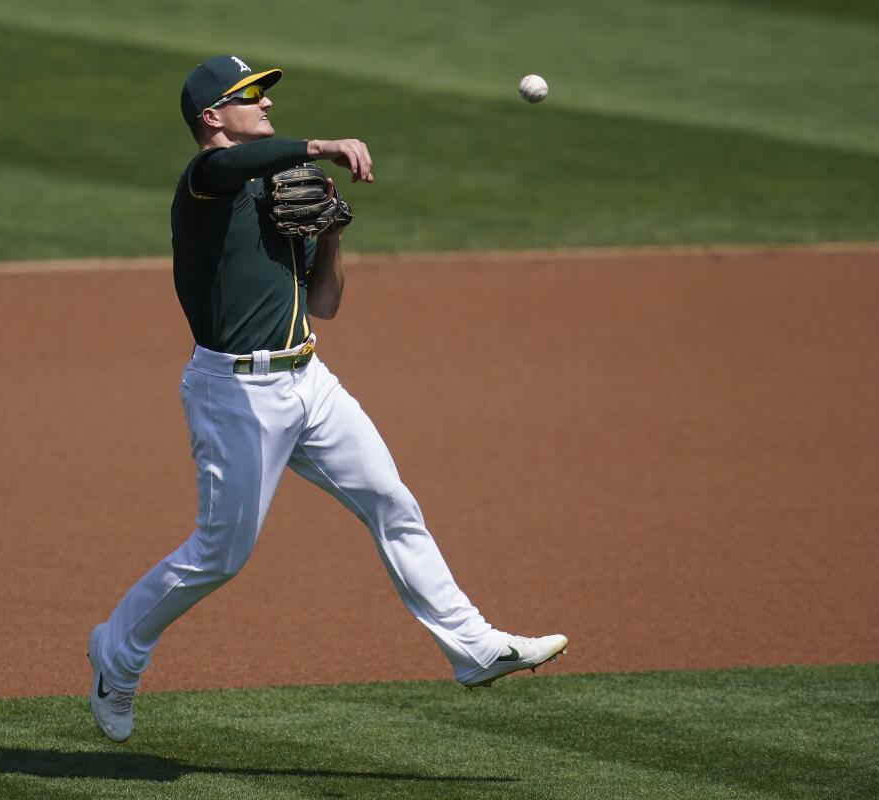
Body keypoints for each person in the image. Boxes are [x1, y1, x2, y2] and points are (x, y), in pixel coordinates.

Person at [86, 54, 568, 743]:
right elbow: (220, 169)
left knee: (391, 500)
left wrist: (333, 236)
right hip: (236, 394)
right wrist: (322, 144)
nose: (269, 106)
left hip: (310, 380)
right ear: (212, 117)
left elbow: (325, 303)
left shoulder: (281, 185)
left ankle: (473, 646)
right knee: (221, 553)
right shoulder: (206, 183)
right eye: (251, 97)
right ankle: (117, 654)